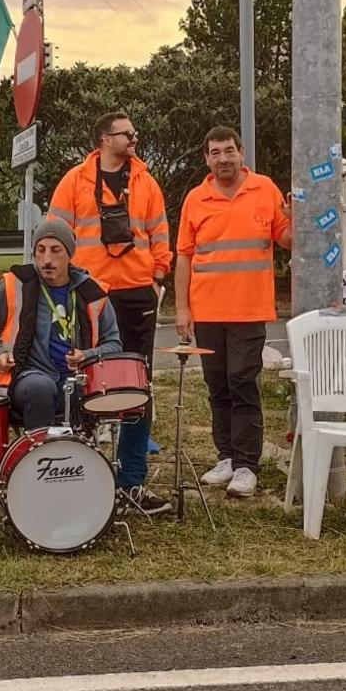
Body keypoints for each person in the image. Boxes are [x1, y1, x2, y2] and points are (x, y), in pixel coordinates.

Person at [48, 110, 172, 515]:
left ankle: (132, 483)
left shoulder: (146, 182)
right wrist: (69, 284)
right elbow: (55, 236)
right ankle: (85, 479)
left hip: (137, 293)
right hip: (91, 294)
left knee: (137, 386)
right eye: (127, 134)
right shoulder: (74, 181)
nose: (134, 140)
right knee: (83, 382)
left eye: (135, 133)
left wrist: (155, 277)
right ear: (104, 138)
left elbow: (160, 235)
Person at [177, 126, 292, 498]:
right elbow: (185, 256)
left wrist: (299, 218)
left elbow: (286, 239)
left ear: (241, 153)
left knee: (243, 383)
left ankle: (246, 465)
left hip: (248, 309)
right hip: (208, 312)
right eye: (215, 152)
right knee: (217, 386)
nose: (223, 158)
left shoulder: (265, 189)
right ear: (206, 159)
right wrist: (182, 308)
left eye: (229, 150)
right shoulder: (196, 199)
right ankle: (225, 457)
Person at [0, 219, 120, 431]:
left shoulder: (92, 293)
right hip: (26, 377)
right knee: (41, 387)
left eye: (55, 250)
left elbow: (114, 344)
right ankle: (37, 456)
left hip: (77, 379)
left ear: (69, 254)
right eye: (40, 250)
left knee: (88, 391)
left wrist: (86, 355)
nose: (47, 259)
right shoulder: (15, 286)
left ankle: (80, 455)